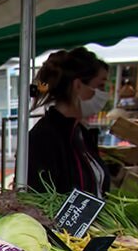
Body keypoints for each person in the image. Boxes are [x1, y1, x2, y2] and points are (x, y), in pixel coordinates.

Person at [26, 48, 110, 196]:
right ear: (78, 86)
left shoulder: (81, 132)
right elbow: (39, 198)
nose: (103, 94)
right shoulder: (43, 138)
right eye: (100, 86)